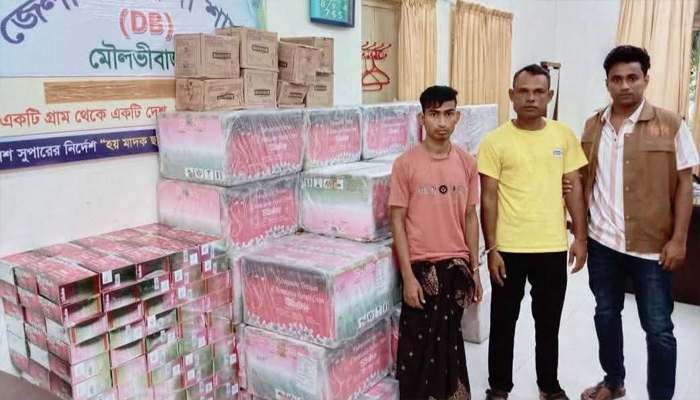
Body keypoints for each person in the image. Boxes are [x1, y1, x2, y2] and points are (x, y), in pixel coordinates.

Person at [576, 45, 700, 400]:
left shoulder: (670, 124)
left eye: (632, 78)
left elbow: (685, 184)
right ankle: (613, 381)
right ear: (607, 83)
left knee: (658, 329)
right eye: (616, 79)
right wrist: (580, 234)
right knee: (605, 315)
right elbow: (584, 181)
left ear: (646, 79)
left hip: (651, 246)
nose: (625, 85)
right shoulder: (593, 126)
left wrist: (679, 240)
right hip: (602, 242)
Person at [478, 64, 589, 400]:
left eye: (539, 92)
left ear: (549, 96)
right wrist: (491, 249)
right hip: (508, 248)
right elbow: (488, 198)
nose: (531, 98)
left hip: (552, 247)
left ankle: (548, 385)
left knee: (548, 322)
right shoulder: (495, 141)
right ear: (511, 96)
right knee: (503, 321)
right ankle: (499, 386)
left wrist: (580, 238)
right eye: (523, 91)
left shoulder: (563, 136)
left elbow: (574, 188)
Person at [390, 85, 483, 400]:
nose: (441, 122)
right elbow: (397, 220)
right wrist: (407, 276)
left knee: (449, 348)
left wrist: (475, 271)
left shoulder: (467, 163)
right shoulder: (405, 164)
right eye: (433, 114)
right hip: (421, 270)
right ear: (422, 118)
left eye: (448, 114)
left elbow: (470, 217)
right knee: (416, 351)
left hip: (456, 270)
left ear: (457, 117)